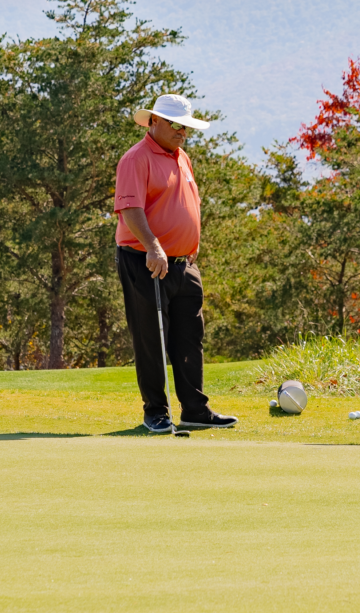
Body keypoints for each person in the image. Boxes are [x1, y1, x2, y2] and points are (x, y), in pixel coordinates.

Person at [114, 94, 238, 433]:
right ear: (153, 121)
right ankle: (156, 412)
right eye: (175, 124)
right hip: (146, 260)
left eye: (186, 126)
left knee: (189, 337)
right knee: (151, 339)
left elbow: (185, 204)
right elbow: (130, 209)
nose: (182, 131)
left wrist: (191, 243)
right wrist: (154, 247)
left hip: (184, 264)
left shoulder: (181, 157)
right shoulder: (136, 159)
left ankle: (195, 410)